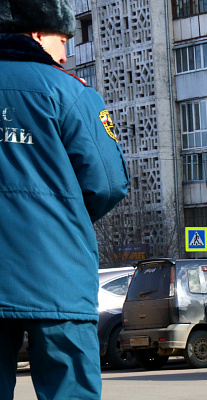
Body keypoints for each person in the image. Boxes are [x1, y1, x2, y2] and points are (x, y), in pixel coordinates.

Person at [0, 1, 129, 398]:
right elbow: (108, 184)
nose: (65, 54)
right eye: (62, 41)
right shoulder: (68, 91)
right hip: (57, 273)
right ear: (37, 33)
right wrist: (63, 215)